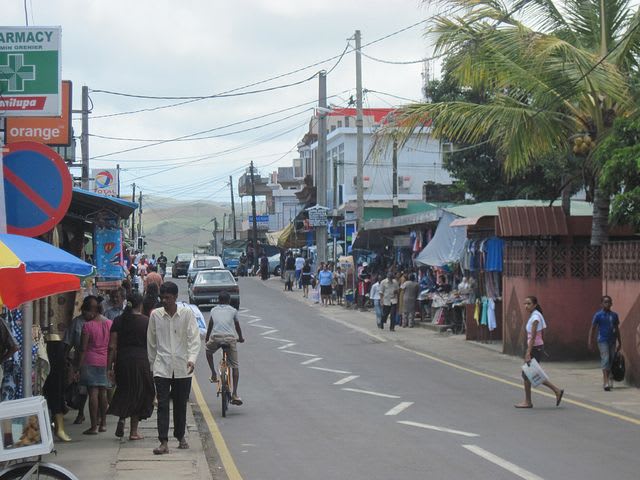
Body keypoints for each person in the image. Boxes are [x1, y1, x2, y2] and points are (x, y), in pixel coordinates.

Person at [147, 282, 200, 455]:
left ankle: (180, 435)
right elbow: (151, 343)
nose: (165, 301)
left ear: (176, 298)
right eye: (162, 297)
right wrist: (152, 365)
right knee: (162, 405)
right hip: (162, 366)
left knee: (180, 404)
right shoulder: (156, 315)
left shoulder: (186, 314)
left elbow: (194, 338)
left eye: (168, 298)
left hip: (182, 366)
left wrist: (192, 359)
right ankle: (163, 441)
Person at [107, 292, 155, 440]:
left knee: (124, 390)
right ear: (140, 305)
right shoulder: (146, 322)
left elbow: (112, 346)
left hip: (123, 361)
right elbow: (153, 345)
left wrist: (109, 367)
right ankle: (133, 432)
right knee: (139, 393)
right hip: (141, 361)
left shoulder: (118, 321)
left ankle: (122, 418)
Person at [515, 296, 564, 409]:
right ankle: (556, 391)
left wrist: (528, 353)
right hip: (536, 347)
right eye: (525, 303)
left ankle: (528, 401)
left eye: (528, 303)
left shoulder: (536, 317)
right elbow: (542, 333)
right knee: (530, 374)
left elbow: (533, 337)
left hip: (534, 348)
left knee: (528, 374)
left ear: (535, 305)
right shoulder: (535, 315)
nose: (526, 306)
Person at [64, 295, 104, 425]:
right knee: (82, 390)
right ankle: (83, 414)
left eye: (91, 310)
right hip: (81, 360)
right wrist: (65, 358)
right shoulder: (77, 322)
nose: (88, 313)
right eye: (86, 310)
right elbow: (69, 342)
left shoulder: (102, 322)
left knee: (95, 391)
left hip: (93, 361)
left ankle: (98, 419)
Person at [78, 298, 113, 435]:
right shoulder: (109, 324)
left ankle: (93, 426)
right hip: (105, 361)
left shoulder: (87, 326)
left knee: (93, 393)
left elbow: (83, 348)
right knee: (103, 392)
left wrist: (78, 367)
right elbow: (112, 346)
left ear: (92, 311)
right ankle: (103, 423)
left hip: (90, 361)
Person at [205, 292, 245, 406]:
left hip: (216, 338)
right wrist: (241, 338)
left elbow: (210, 325)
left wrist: (207, 338)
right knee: (235, 366)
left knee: (208, 351)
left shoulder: (213, 310)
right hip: (229, 339)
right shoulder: (233, 310)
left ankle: (213, 373)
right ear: (229, 301)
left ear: (218, 300)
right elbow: (237, 326)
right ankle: (235, 394)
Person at [588, 295, 622, 391]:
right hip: (602, 340)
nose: (607, 304)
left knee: (611, 359)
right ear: (601, 304)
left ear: (611, 304)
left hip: (612, 340)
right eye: (605, 302)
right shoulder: (598, 315)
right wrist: (590, 341)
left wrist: (620, 341)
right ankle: (605, 381)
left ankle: (610, 376)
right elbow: (593, 328)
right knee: (605, 359)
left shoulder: (614, 315)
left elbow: (617, 328)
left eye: (609, 302)